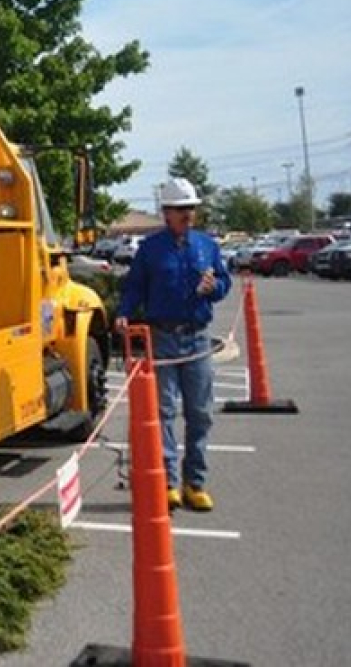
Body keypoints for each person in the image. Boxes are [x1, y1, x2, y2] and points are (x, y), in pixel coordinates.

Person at [115, 176, 232, 511]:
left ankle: (194, 482)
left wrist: (215, 288)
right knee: (164, 412)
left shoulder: (206, 245)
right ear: (166, 212)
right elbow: (135, 286)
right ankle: (168, 483)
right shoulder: (151, 249)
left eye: (191, 209)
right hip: (162, 338)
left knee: (200, 413)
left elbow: (223, 281)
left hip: (197, 338)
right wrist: (124, 312)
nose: (188, 215)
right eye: (181, 209)